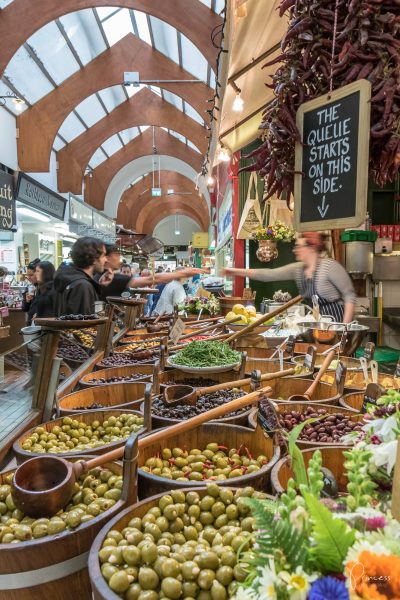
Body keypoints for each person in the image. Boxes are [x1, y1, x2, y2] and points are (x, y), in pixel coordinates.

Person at [223, 232, 356, 323]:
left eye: (298, 246)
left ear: (311, 248)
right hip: (318, 325)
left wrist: (344, 329)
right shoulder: (298, 270)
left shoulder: (329, 266)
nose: (294, 250)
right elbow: (268, 275)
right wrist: (234, 271)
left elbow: (349, 296)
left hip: (336, 323)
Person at [53, 237, 114, 316]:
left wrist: (99, 286)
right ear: (94, 259)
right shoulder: (82, 286)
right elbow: (84, 324)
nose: (106, 260)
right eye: (103, 255)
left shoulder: (69, 278)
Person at [22, 258, 40, 325]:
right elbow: (24, 309)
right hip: (31, 324)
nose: (28, 277)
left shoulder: (44, 288)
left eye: (31, 275)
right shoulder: (29, 287)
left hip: (40, 324)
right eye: (27, 275)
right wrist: (27, 301)